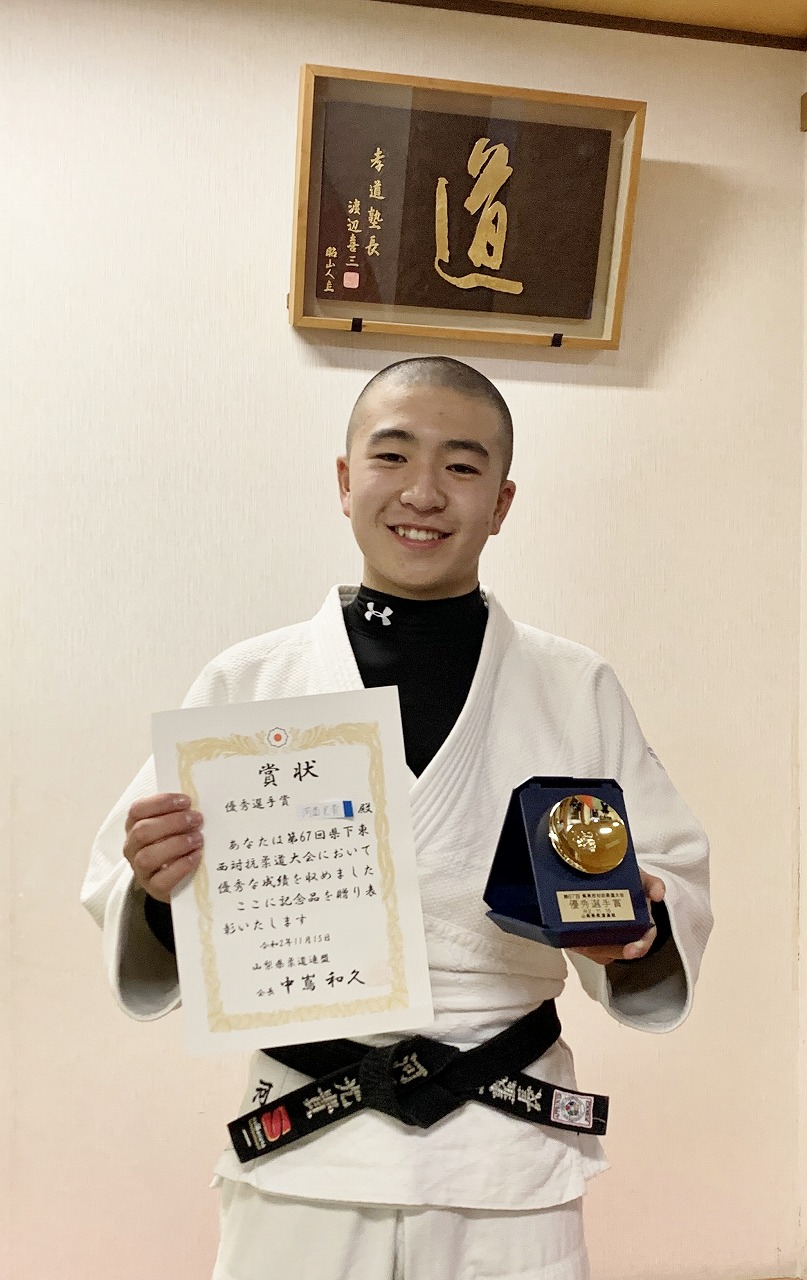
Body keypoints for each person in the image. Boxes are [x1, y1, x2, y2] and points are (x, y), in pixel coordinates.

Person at [82, 356, 712, 1280]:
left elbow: (667, 882)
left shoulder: (573, 686)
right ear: (345, 481)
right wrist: (154, 882)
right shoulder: (250, 683)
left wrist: (639, 929)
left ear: (501, 502)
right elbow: (125, 894)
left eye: (461, 466)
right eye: (392, 456)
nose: (423, 492)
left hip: (506, 1145)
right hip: (307, 1145)